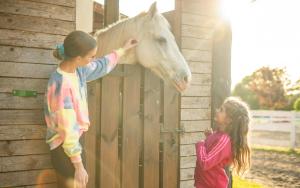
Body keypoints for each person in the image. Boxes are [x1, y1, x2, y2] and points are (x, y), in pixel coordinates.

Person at [44, 30, 137, 188]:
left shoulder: (78, 70)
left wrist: (123, 50)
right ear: (78, 58)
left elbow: (101, 65)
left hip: (72, 144)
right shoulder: (60, 86)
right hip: (64, 147)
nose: (92, 59)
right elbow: (68, 130)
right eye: (90, 56)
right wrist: (79, 166)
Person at [194, 97, 251, 188]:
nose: (217, 110)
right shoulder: (218, 135)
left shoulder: (224, 140)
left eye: (221, 110)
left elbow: (205, 163)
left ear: (229, 120)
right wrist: (209, 137)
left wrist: (201, 145)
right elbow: (214, 152)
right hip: (204, 184)